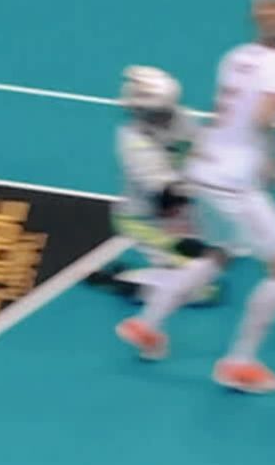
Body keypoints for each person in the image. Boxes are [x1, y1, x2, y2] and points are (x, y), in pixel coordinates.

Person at [114, 0, 275, 395]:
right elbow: (264, 117)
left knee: (218, 255)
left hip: (203, 169)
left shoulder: (235, 56)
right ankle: (239, 363)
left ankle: (147, 325)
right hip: (234, 183)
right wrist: (274, 155)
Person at [88, 65, 220, 307]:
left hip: (180, 213)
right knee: (204, 290)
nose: (168, 116)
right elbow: (167, 196)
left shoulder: (183, 118)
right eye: (159, 112)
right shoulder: (133, 142)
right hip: (146, 221)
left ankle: (170, 264)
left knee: (217, 257)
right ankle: (125, 283)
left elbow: (204, 151)